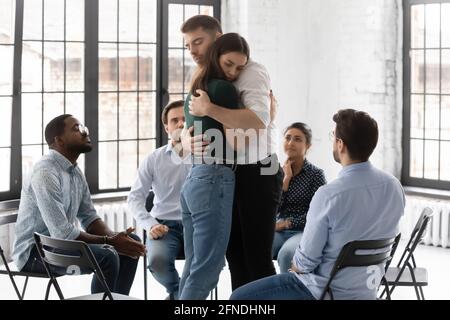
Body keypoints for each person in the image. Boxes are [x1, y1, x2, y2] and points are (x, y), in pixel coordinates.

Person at [230, 109, 405, 300]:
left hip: (323, 291)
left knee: (238, 298)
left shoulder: (329, 194)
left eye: (333, 135)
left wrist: (295, 266)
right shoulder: (394, 186)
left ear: (340, 144)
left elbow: (305, 263)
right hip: (365, 291)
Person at [181, 15, 283, 291]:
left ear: (217, 39)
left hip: (258, 171)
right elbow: (187, 121)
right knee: (236, 258)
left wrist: (210, 110)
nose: (192, 50)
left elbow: (258, 119)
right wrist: (185, 141)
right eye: (188, 44)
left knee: (257, 259)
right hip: (229, 173)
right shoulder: (207, 78)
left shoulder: (252, 72)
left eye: (198, 42)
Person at [13, 114, 146, 296]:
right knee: (107, 255)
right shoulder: (45, 172)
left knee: (132, 243)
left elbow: (90, 218)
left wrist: (116, 237)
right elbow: (63, 233)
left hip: (59, 245)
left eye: (83, 127)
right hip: (35, 253)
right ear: (59, 140)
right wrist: (110, 241)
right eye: (76, 129)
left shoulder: (74, 171)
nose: (85, 132)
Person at [178, 33, 248, 300]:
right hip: (215, 178)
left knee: (195, 265)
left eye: (239, 68)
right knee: (207, 268)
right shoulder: (224, 91)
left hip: (194, 180)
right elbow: (238, 144)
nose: (233, 72)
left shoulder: (195, 89)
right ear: (217, 56)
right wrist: (266, 117)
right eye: (229, 63)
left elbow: (186, 135)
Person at [127, 100, 190, 300]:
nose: (181, 124)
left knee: (202, 267)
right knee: (156, 262)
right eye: (175, 121)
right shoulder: (153, 159)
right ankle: (180, 294)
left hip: (197, 225)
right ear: (166, 128)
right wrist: (150, 225)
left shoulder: (207, 156)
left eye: (185, 120)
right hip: (163, 226)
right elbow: (135, 198)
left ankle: (181, 298)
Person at [273, 123, 326, 273]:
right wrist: (286, 181)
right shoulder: (276, 171)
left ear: (307, 145)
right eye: (287, 138)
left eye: (297, 139)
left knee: (286, 255)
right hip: (278, 229)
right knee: (254, 250)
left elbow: (318, 213)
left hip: (303, 231)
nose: (290, 143)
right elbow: (273, 207)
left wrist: (287, 224)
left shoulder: (316, 175)